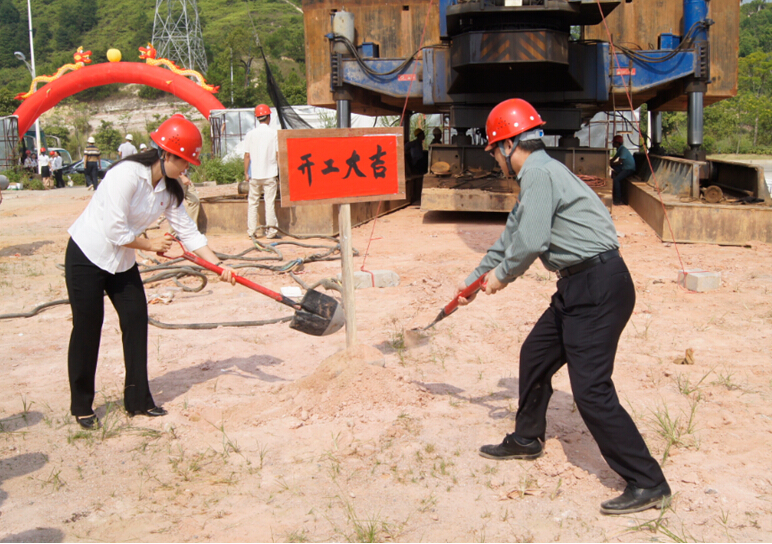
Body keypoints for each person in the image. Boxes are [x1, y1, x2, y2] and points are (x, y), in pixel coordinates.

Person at [456, 98, 670, 515]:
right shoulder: (540, 173)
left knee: (590, 390)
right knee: (535, 354)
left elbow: (530, 243)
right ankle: (527, 438)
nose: (497, 160)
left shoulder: (536, 173)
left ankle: (648, 481)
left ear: (506, 145)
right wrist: (472, 281)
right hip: (581, 286)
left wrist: (501, 277)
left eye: (495, 150)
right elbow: (508, 240)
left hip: (597, 286)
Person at [64, 114, 236, 430]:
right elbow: (115, 231)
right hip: (87, 255)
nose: (186, 168)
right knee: (89, 326)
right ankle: (81, 405)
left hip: (122, 261)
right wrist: (153, 244)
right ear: (165, 153)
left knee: (135, 320)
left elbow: (189, 233)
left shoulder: (169, 190)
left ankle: (138, 401)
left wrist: (218, 265)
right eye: (183, 161)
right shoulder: (126, 175)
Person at [243, 104, 279, 239]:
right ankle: (271, 231)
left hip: (255, 175)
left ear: (257, 118)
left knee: (252, 203)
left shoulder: (250, 134)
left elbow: (247, 155)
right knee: (269, 202)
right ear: (268, 117)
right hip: (270, 174)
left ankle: (252, 231)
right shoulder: (274, 134)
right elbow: (277, 154)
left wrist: (246, 173)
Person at [610, 134, 636, 206]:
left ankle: (618, 199)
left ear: (617, 143)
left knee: (616, 180)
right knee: (614, 169)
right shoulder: (619, 149)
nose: (612, 144)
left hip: (629, 169)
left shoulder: (623, 150)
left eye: (614, 142)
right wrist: (609, 162)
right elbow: (614, 159)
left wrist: (611, 163)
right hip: (624, 167)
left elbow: (619, 161)